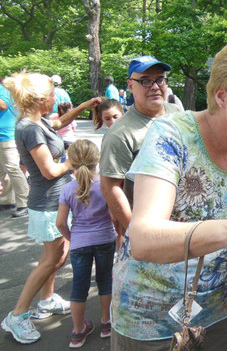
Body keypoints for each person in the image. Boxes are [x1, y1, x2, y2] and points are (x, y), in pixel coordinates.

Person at [110, 35, 227, 350]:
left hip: (219, 312)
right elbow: (143, 238)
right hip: (151, 320)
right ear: (221, 96)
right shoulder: (172, 136)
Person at [1, 71, 100, 345]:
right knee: (52, 259)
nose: (56, 97)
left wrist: (82, 108)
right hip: (47, 203)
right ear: (39, 98)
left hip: (53, 201)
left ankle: (46, 301)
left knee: (57, 255)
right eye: (52, 94)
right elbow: (49, 171)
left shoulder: (36, 122)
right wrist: (77, 158)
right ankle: (17, 315)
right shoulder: (30, 129)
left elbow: (56, 123)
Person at [99, 56, 182, 240]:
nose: (155, 86)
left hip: (186, 227)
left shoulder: (179, 114)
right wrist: (135, 233)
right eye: (145, 81)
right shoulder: (120, 134)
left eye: (160, 79)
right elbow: (110, 187)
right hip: (152, 230)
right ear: (130, 86)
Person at [56, 140, 117, 348]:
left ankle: (78, 331)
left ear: (70, 162)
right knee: (105, 281)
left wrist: (72, 238)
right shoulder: (105, 185)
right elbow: (112, 215)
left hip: (80, 243)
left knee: (79, 286)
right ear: (97, 160)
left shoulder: (67, 189)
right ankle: (107, 323)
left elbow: (60, 223)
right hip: (105, 239)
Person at [0, 77, 29, 218]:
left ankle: (24, 203)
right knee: (2, 171)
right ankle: (7, 201)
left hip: (6, 136)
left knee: (12, 169)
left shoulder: (4, 90)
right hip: (2, 137)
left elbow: (3, 105)